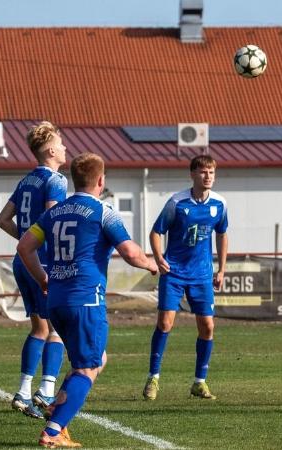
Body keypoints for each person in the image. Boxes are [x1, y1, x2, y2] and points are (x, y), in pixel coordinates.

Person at [17, 152, 157, 447]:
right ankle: (53, 431)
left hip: (56, 300)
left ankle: (57, 408)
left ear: (74, 179)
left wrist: (43, 279)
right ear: (101, 180)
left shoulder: (55, 211)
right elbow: (131, 253)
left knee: (96, 359)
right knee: (88, 368)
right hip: (86, 302)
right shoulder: (103, 211)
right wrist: (151, 264)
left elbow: (25, 246)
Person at [0, 121, 68, 419]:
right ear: (51, 150)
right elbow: (54, 220)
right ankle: (46, 389)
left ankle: (23, 391)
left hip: (22, 261)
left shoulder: (26, 180)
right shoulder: (57, 180)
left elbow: (2, 220)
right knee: (58, 330)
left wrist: (26, 242)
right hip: (45, 261)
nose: (65, 148)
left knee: (39, 327)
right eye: (61, 144)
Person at [142, 155, 229, 401]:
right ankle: (153, 378)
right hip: (175, 272)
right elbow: (156, 232)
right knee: (165, 323)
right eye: (203, 172)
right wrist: (159, 258)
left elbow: (222, 234)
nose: (208, 176)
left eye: (211, 172)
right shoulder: (177, 203)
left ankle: (199, 382)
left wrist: (221, 269)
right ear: (192, 174)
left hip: (202, 274)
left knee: (208, 327)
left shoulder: (220, 204)